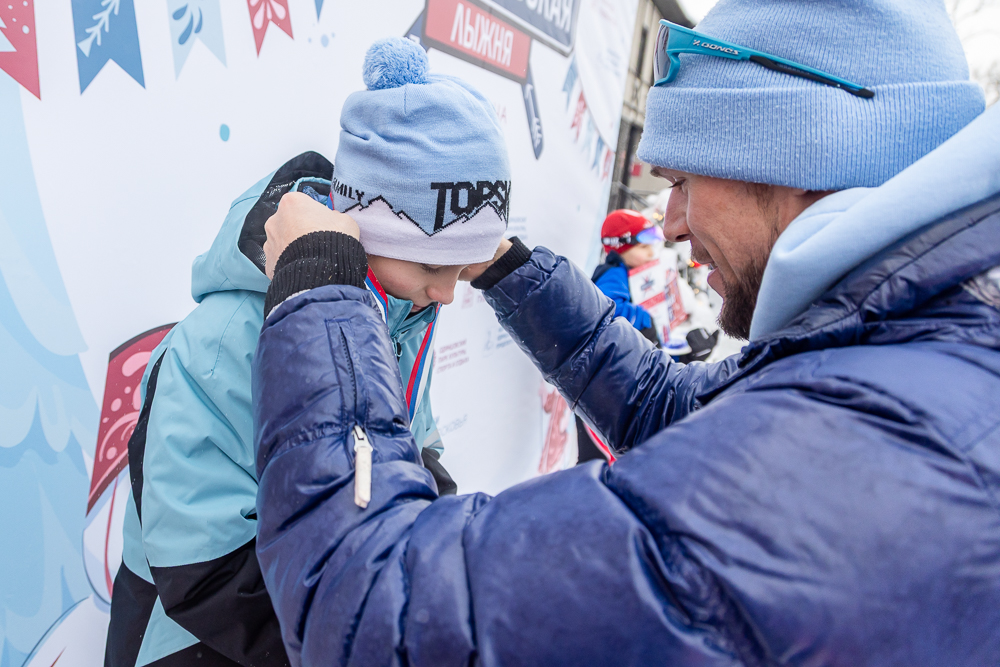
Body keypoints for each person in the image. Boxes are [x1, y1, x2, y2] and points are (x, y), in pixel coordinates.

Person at [251, 1, 1000, 665]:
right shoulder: (918, 360)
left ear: (806, 155)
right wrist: (510, 271)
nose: (668, 223)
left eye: (683, 182)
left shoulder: (876, 450)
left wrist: (319, 286)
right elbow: (680, 416)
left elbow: (377, 616)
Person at [104, 38, 509, 667]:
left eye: (463, 269)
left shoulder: (402, 315)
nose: (448, 294)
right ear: (365, 228)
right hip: (196, 642)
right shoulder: (223, 342)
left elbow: (414, 450)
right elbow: (203, 567)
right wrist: (349, 637)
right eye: (433, 266)